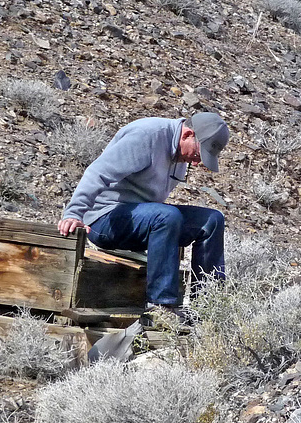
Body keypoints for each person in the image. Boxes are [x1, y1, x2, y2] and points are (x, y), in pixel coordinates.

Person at [57, 112, 229, 321]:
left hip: (143, 217)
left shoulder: (181, 149)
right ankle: (161, 306)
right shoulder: (147, 135)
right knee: (166, 216)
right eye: (196, 155)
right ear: (188, 134)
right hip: (104, 219)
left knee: (212, 221)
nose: (195, 163)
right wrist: (74, 212)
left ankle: (208, 310)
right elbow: (98, 172)